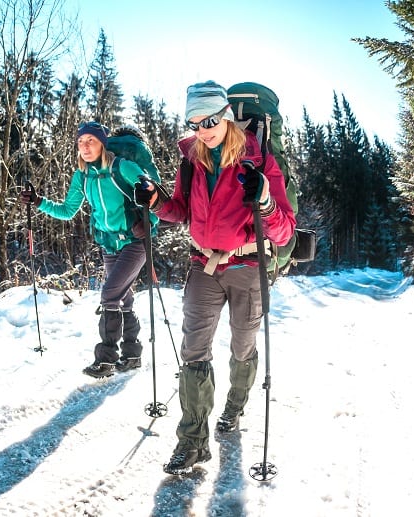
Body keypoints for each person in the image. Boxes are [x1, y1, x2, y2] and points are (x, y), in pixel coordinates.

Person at [134, 81, 296, 475]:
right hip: (203, 265)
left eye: (209, 120)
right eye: (194, 122)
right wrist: (156, 201)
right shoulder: (193, 159)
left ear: (225, 115)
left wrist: (266, 201)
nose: (202, 129)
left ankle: (235, 406)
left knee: (242, 346)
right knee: (194, 352)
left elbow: (285, 229)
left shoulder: (258, 161)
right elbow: (181, 210)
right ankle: (192, 442)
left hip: (248, 266)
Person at [20, 121, 159, 378]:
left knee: (109, 295)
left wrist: (149, 222)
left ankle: (106, 360)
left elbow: (153, 196)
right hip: (108, 243)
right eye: (81, 142)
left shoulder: (122, 167)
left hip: (135, 242)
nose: (85, 146)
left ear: (102, 143)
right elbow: (67, 211)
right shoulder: (81, 176)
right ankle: (132, 355)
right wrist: (39, 202)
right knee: (123, 298)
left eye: (91, 141)